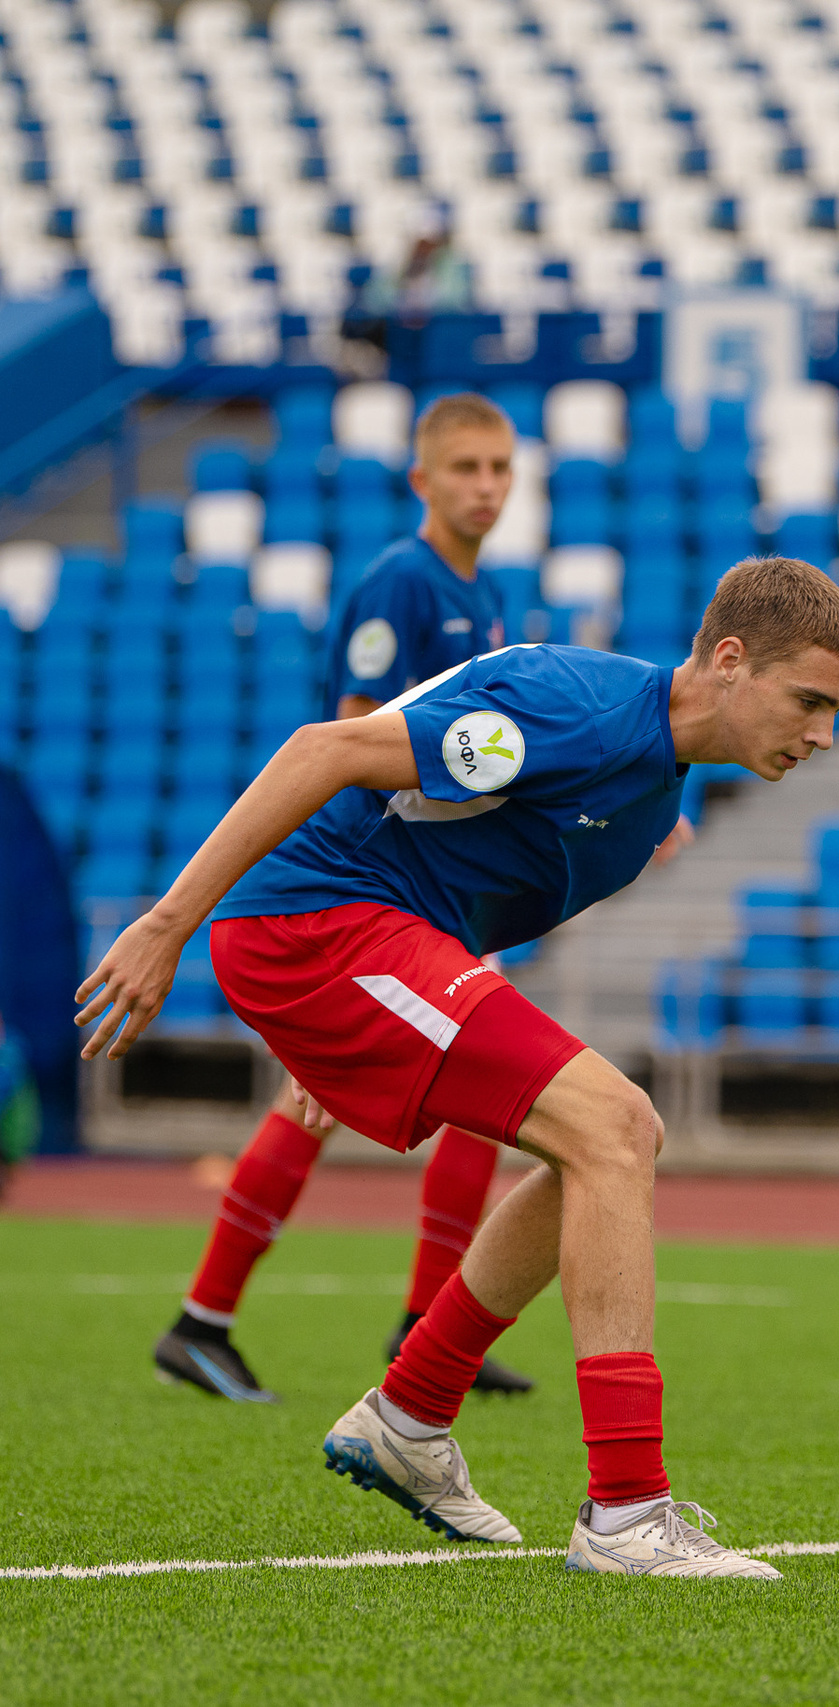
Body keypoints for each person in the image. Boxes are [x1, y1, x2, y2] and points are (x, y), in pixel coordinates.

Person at [79, 556, 839, 1578]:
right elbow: (325, 749)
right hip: (310, 924)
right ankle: (628, 1514)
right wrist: (166, 924)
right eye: (810, 701)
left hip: (376, 940)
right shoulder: (573, 713)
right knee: (614, 1127)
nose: (822, 735)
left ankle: (411, 1411)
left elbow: (455, 871)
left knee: (615, 1140)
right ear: (727, 661)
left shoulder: (648, 799)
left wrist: (364, 1028)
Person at [154, 391, 547, 1405]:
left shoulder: (483, 588)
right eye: (466, 467)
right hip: (374, 881)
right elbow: (356, 739)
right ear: (422, 480)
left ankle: (412, 1321)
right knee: (362, 1097)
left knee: (463, 1100)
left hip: (428, 883)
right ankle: (209, 1321)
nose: (487, 486)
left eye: (500, 468)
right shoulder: (400, 584)